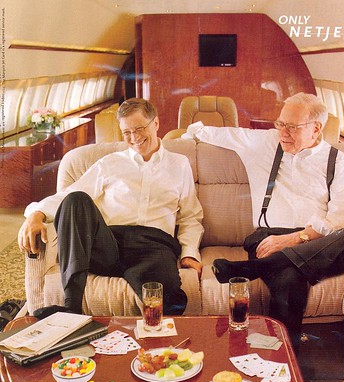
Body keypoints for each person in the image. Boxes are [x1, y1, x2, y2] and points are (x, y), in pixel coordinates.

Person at [184, 92, 344, 353]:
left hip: (316, 241)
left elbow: (340, 220)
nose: (283, 133)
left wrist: (294, 239)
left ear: (316, 129)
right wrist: (185, 137)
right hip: (268, 238)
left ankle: (252, 268)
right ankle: (283, 360)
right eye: (280, 123)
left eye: (292, 127)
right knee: (290, 280)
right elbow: (205, 132)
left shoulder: (338, 162)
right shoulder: (264, 142)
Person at [18, 98, 204, 318]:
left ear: (155, 123)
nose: (134, 137)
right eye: (127, 132)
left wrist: (190, 253)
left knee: (169, 303)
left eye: (139, 128)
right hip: (109, 245)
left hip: (154, 246)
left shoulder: (179, 164)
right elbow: (68, 195)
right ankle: (71, 307)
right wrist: (36, 214)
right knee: (76, 200)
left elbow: (190, 217)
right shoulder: (109, 163)